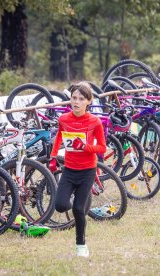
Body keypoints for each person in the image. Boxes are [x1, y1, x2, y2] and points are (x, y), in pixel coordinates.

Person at [48, 81, 106, 257]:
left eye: (81, 99)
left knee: (78, 209)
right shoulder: (64, 119)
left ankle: (81, 245)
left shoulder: (95, 122)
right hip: (69, 169)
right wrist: (53, 157)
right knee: (60, 205)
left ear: (89, 101)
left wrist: (85, 146)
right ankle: (80, 197)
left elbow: (102, 148)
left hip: (88, 170)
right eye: (74, 98)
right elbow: (59, 137)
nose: (77, 102)